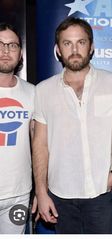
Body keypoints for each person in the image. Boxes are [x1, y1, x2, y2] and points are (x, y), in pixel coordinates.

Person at [32, 17, 112, 234]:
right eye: (67, 43)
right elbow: (40, 144)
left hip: (100, 193)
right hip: (60, 194)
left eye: (81, 42)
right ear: (58, 49)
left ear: (91, 47)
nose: (74, 49)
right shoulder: (43, 90)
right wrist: (41, 191)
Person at [0, 23, 35, 233]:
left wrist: (40, 190)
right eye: (0, 44)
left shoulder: (32, 93)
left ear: (20, 53)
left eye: (12, 45)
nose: (5, 51)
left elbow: (39, 144)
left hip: (19, 194)